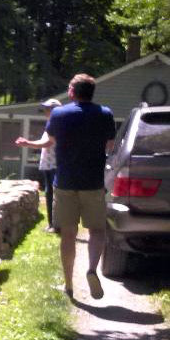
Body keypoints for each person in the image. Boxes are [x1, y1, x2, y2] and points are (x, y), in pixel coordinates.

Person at [16, 74, 115, 300]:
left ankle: (69, 284)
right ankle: (91, 269)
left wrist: (27, 143)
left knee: (68, 233)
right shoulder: (105, 114)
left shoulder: (60, 113)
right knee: (97, 230)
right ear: (91, 92)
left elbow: (48, 142)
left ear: (72, 92)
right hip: (93, 183)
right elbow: (109, 146)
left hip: (66, 182)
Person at [27, 98, 61, 232]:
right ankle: (51, 224)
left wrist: (27, 143)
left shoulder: (57, 124)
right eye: (45, 109)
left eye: (48, 109)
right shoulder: (50, 123)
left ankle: (55, 225)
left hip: (55, 165)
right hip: (48, 165)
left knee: (53, 194)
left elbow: (47, 143)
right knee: (49, 193)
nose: (45, 111)